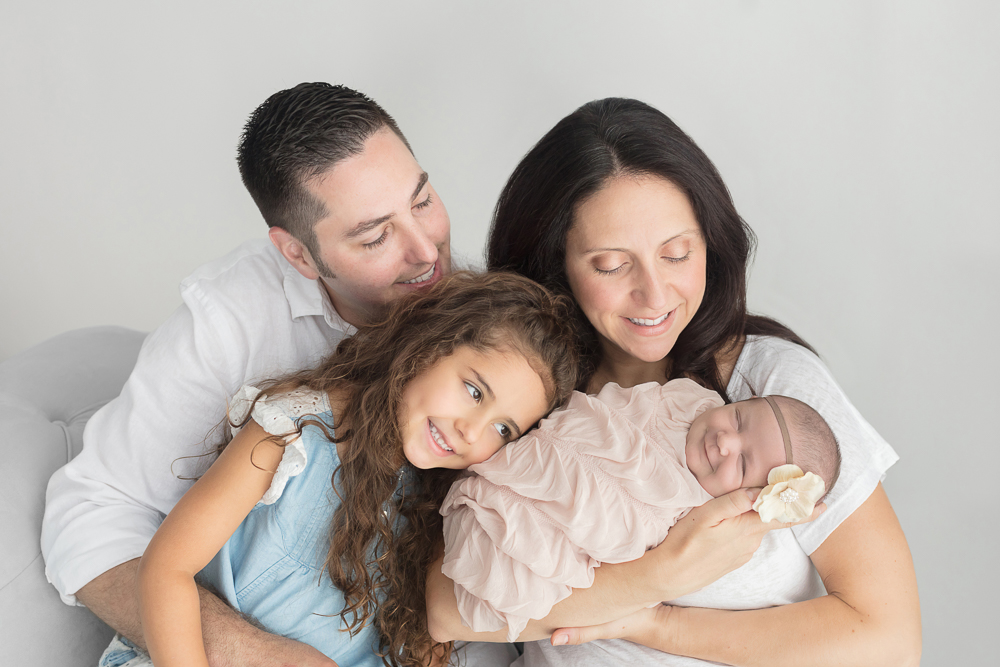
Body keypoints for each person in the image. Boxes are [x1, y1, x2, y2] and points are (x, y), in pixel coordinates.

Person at [426, 98, 921, 666]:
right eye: (611, 265)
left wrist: (657, 624)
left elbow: (888, 639)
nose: (655, 296)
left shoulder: (772, 387)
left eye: (678, 254)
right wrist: (652, 578)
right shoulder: (528, 390)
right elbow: (445, 607)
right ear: (554, 261)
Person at [42, 82, 453, 667]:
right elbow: (91, 515)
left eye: (422, 200)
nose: (427, 251)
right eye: (375, 235)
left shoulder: (475, 308)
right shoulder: (230, 321)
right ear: (299, 255)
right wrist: (253, 652)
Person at [126, 271, 579, 667]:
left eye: (502, 429)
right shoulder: (291, 433)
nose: (470, 431)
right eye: (474, 392)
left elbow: (423, 650)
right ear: (427, 348)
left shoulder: (439, 507)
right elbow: (166, 570)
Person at [440, 380, 840, 642]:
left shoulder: (705, 513)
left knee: (510, 574)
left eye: (744, 464)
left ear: (756, 499)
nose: (725, 442)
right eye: (738, 418)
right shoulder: (686, 399)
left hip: (557, 534)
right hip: (524, 474)